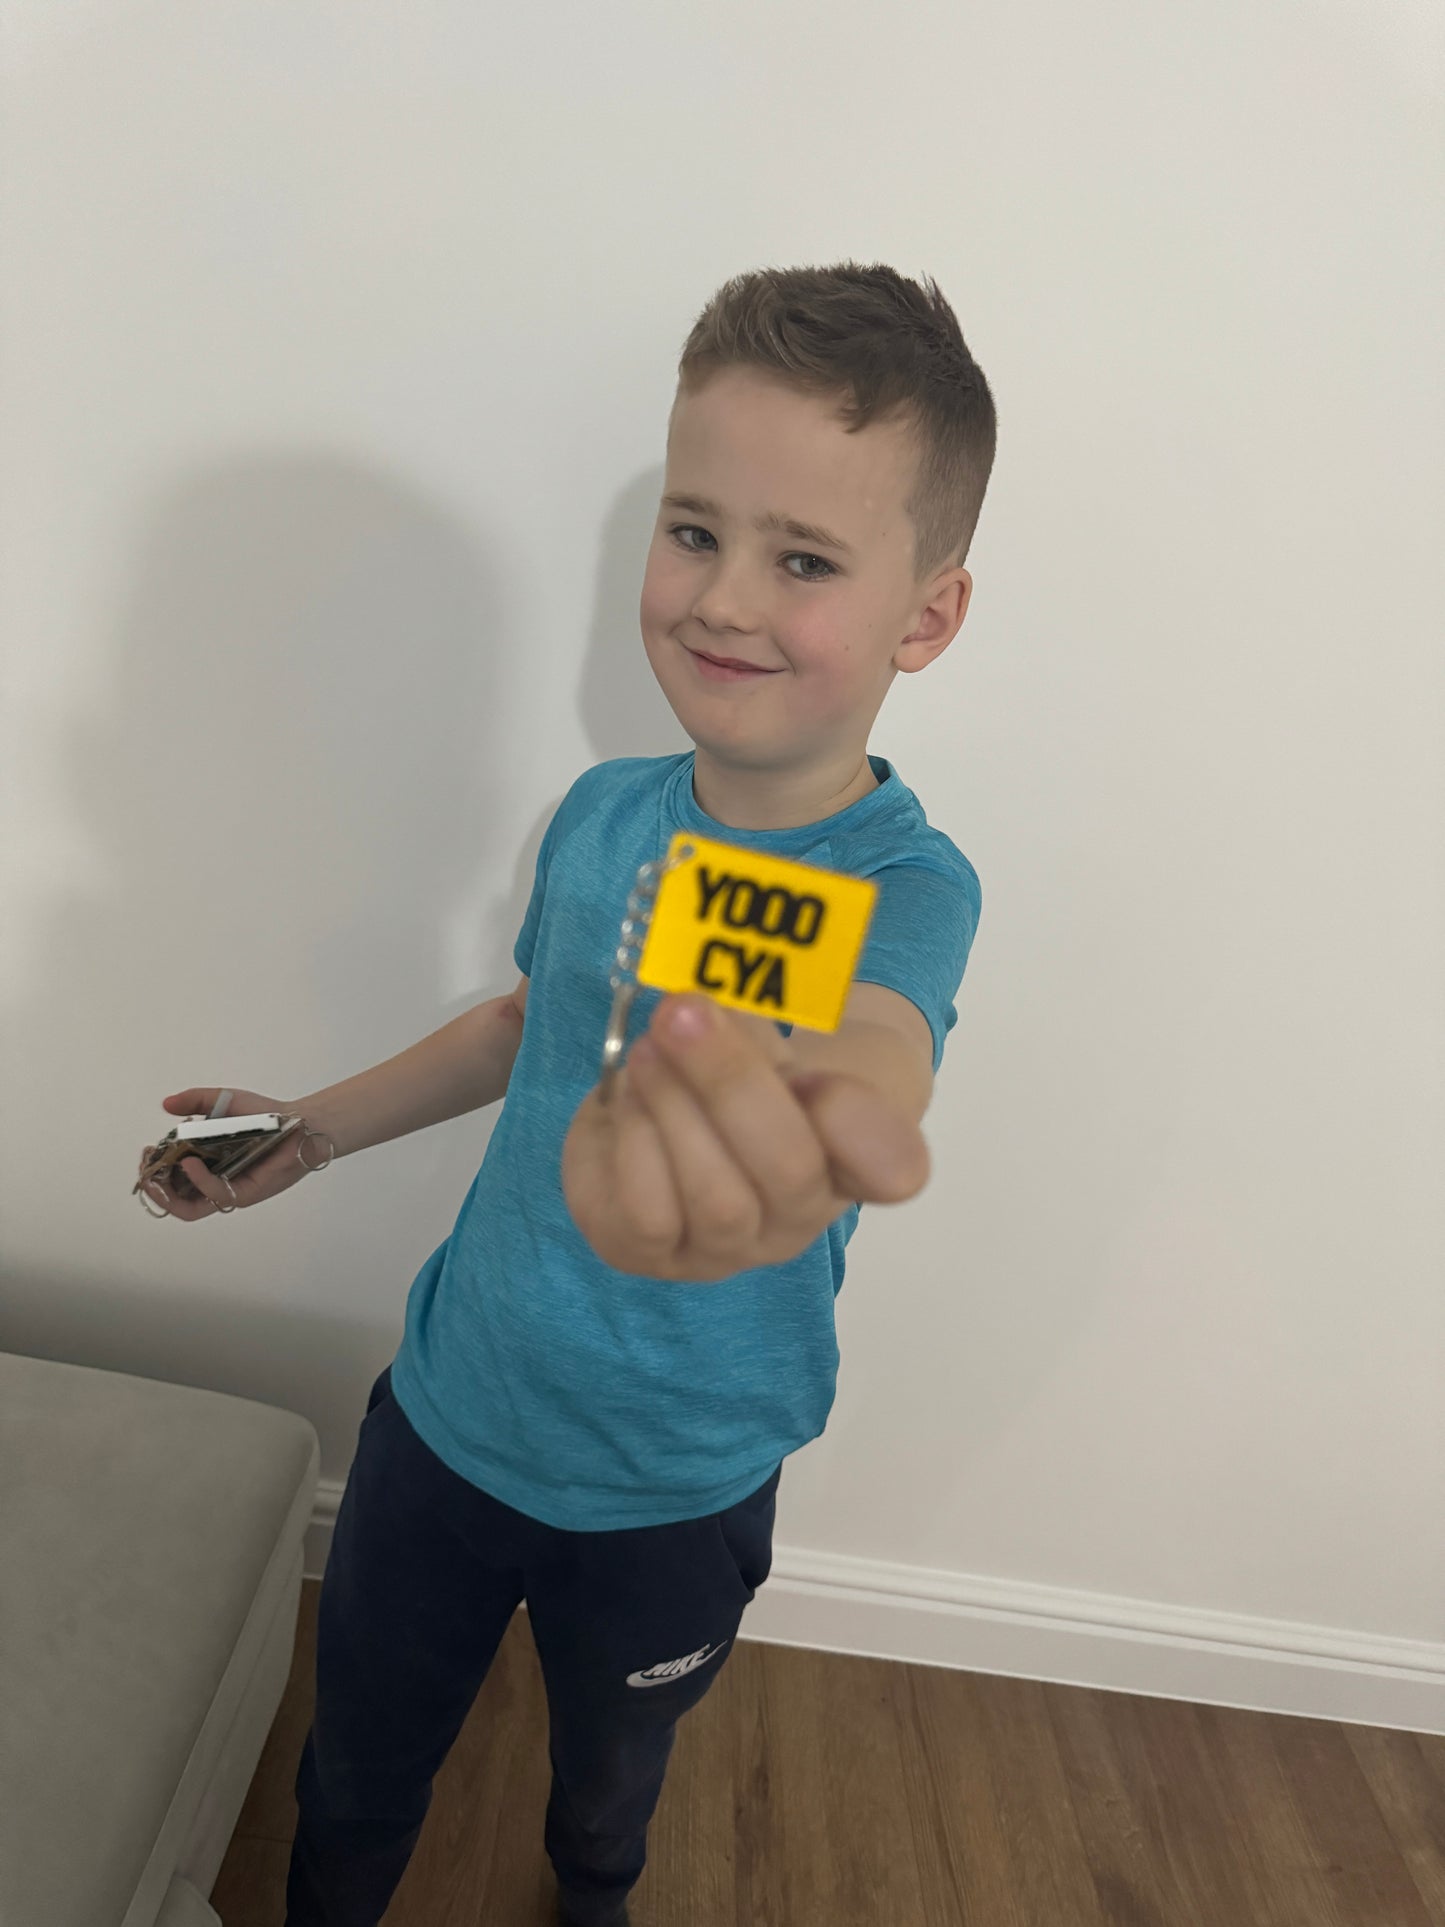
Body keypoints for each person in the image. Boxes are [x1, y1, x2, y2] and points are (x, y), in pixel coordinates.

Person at [140, 260, 995, 1927]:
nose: (724, 599)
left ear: (925, 614)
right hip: (448, 1426)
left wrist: (832, 1118)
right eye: (694, 531)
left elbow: (876, 1039)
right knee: (360, 1762)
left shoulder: (904, 887)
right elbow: (524, 1024)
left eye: (801, 558)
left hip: (671, 1489)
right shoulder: (606, 813)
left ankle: (589, 1891)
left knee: (609, 1781)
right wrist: (307, 1131)